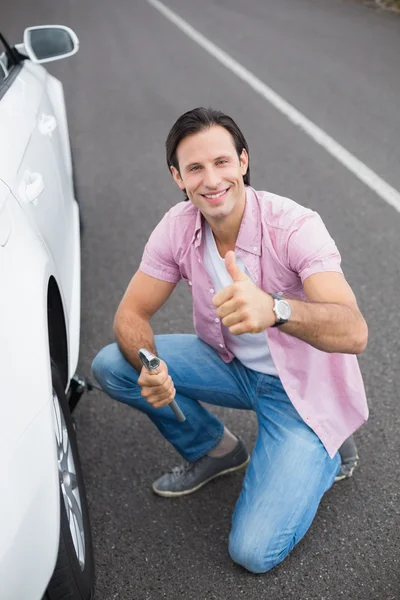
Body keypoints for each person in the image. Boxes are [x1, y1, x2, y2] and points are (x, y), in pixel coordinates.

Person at [92, 107, 368, 574]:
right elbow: (131, 313)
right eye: (195, 168)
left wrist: (276, 309)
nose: (211, 179)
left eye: (222, 162)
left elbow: (354, 330)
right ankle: (216, 449)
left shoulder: (295, 226)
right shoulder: (178, 225)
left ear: (243, 161)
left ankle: (328, 445)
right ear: (178, 177)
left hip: (298, 390)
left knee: (253, 552)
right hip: (230, 363)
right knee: (113, 365)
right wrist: (151, 365)